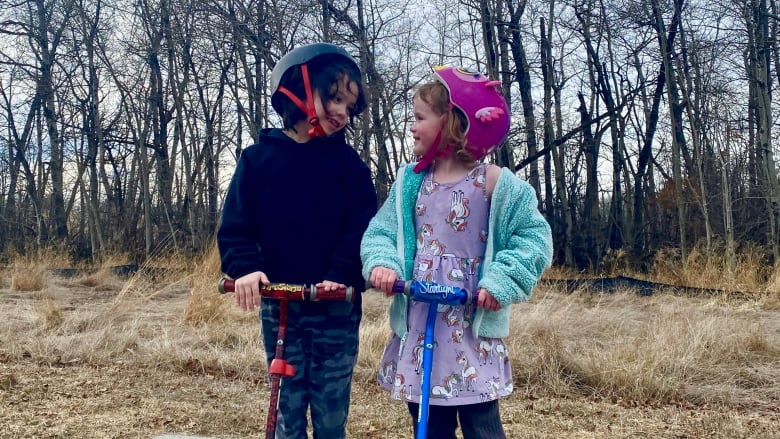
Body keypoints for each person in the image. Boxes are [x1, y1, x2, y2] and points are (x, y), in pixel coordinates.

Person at [360, 66, 553, 438]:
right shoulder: (411, 183)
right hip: (420, 323)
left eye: (419, 118)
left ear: (453, 122)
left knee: (482, 424)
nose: (412, 127)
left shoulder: (496, 184)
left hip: (470, 327)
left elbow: (534, 238)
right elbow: (381, 233)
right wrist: (383, 264)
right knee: (428, 423)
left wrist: (502, 281)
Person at [217, 42, 378, 439]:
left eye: (350, 107)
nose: (342, 113)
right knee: (287, 409)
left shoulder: (349, 167)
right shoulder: (257, 162)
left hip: (335, 307)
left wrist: (343, 274)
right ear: (299, 89)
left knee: (329, 411)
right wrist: (246, 269)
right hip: (281, 304)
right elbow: (235, 228)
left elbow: (362, 228)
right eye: (335, 98)